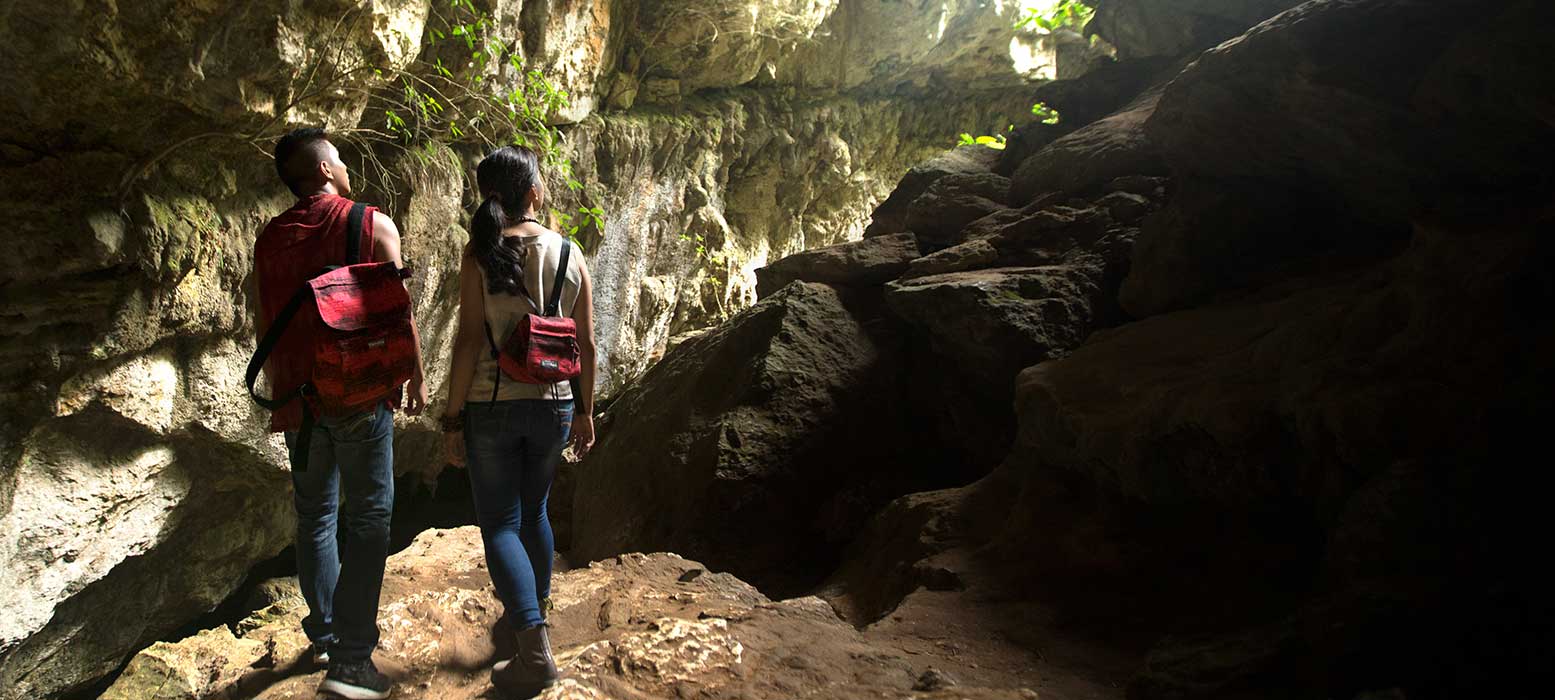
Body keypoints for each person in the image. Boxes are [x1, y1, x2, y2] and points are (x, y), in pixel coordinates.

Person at [254, 127, 428, 700]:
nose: (347, 169)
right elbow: (398, 313)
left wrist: (285, 395)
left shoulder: (270, 239)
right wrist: (415, 376)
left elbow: (265, 324)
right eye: (342, 161)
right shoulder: (369, 223)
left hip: (298, 400)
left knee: (316, 517)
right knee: (371, 517)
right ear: (326, 170)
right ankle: (352, 663)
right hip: (356, 394)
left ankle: (328, 634)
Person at [440, 145, 597, 697]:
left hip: (491, 404)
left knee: (501, 523)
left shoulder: (479, 255)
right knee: (535, 512)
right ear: (532, 192)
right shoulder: (571, 252)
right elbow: (587, 344)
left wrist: (451, 419)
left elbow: (464, 344)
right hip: (554, 402)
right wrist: (584, 411)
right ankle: (536, 610)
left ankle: (533, 646)